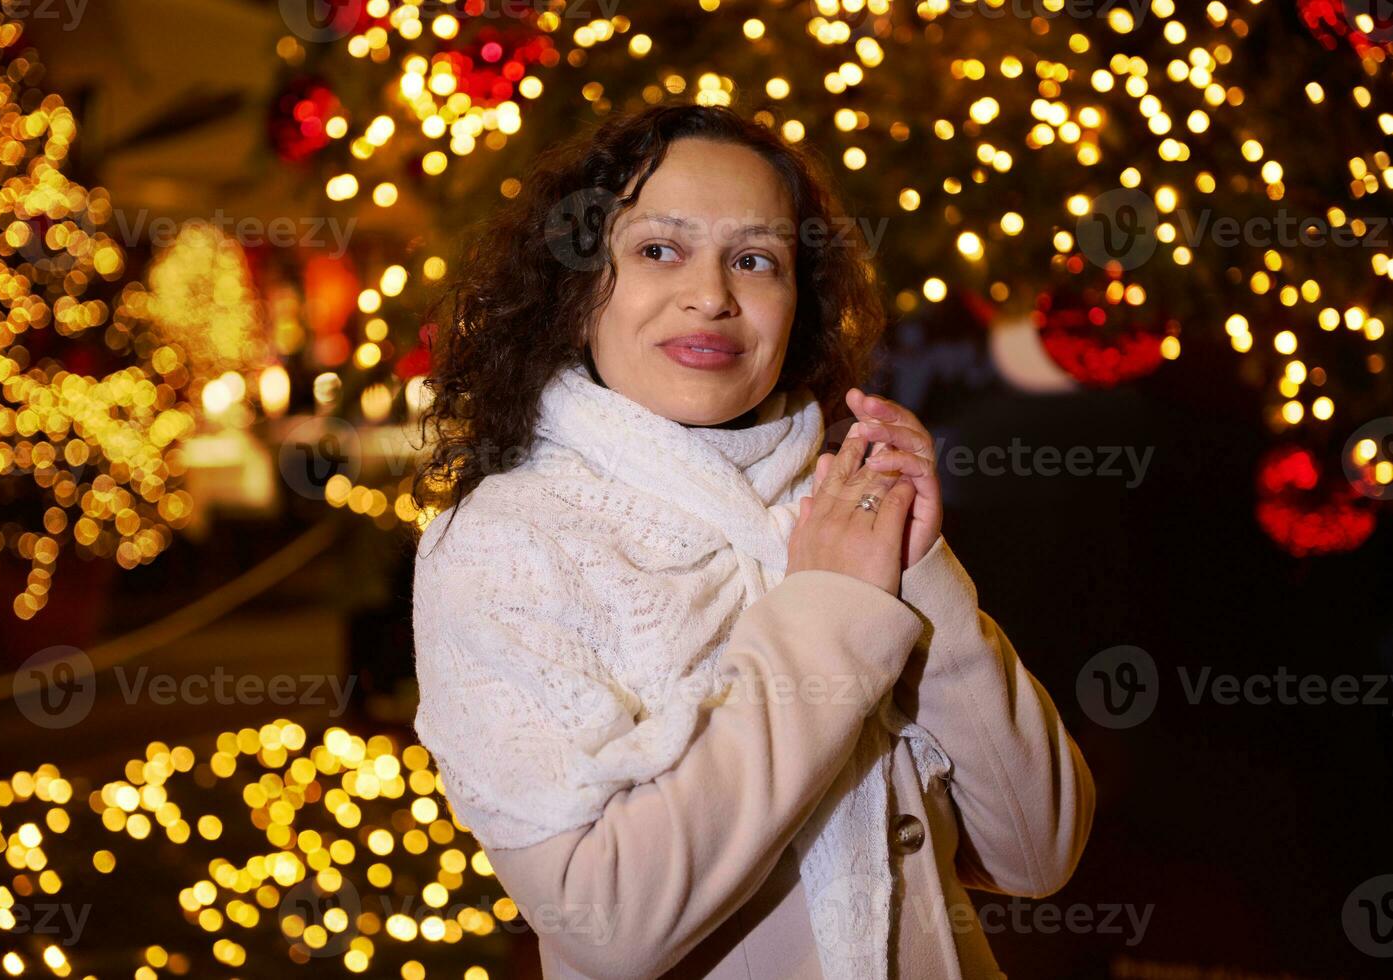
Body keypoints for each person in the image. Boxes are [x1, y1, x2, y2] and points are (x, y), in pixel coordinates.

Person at [410, 103, 1095, 980]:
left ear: (796, 302)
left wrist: (924, 577)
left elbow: (1036, 855)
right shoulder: (503, 543)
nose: (712, 295)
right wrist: (833, 608)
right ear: (577, 287)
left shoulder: (841, 502)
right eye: (659, 249)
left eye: (754, 259)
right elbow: (608, 926)